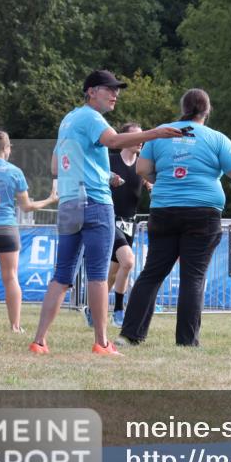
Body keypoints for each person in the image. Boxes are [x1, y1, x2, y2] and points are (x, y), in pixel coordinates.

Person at [117, 88, 231, 347]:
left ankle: (130, 334)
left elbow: (143, 169)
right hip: (203, 213)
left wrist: (167, 182)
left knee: (152, 273)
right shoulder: (215, 139)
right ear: (207, 111)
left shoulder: (160, 133)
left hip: (164, 210)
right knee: (193, 277)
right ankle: (186, 342)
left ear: (182, 108)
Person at [30, 70, 184, 356]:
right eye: (108, 89)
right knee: (98, 275)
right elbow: (114, 142)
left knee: (62, 275)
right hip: (95, 204)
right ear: (91, 91)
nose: (115, 94)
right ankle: (102, 343)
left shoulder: (69, 119)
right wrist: (157, 133)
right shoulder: (92, 118)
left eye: (117, 90)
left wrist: (103, 174)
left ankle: (39, 341)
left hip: (70, 202)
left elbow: (57, 164)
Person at [0, 130, 59, 334]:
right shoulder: (14, 172)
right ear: (7, 148)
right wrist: (50, 199)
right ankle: (15, 326)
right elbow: (26, 207)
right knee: (10, 277)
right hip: (6, 229)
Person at [98, 122, 151, 329]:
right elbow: (92, 176)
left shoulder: (143, 164)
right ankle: (119, 311)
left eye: (143, 138)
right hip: (108, 218)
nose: (141, 142)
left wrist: (150, 185)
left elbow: (148, 180)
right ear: (124, 139)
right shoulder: (109, 161)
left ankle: (93, 310)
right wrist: (108, 177)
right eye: (136, 137)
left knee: (114, 272)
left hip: (130, 223)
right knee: (128, 261)